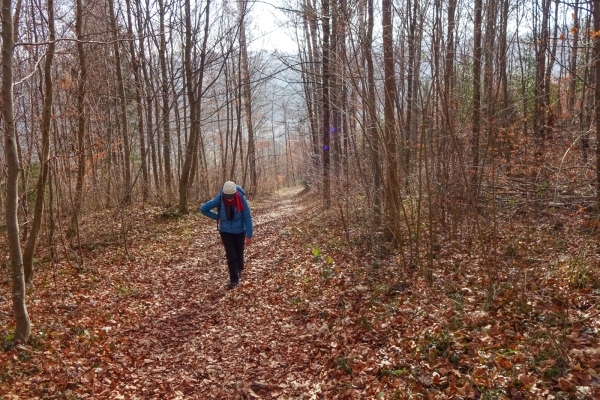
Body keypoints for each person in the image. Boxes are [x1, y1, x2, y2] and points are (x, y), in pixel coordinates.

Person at [201, 181, 253, 289]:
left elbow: (248, 217)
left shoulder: (241, 199)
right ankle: (234, 279)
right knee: (231, 255)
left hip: (239, 231)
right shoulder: (220, 198)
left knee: (239, 253)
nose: (229, 199)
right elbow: (204, 209)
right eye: (227, 196)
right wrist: (217, 217)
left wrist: (249, 235)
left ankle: (239, 270)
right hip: (225, 231)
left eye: (231, 196)